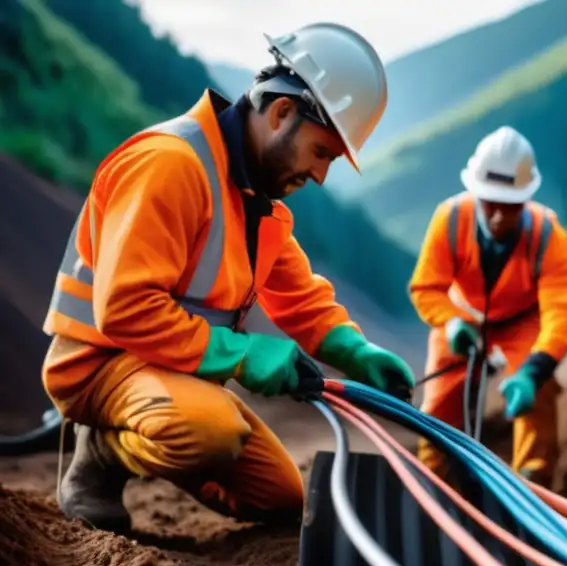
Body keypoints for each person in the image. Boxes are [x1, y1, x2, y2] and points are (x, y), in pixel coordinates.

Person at [41, 22, 415, 533]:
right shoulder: (170, 165)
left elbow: (301, 299)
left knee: (281, 497)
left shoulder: (258, 207)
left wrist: (356, 352)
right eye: (322, 152)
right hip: (101, 365)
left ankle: (178, 429)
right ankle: (102, 455)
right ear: (282, 113)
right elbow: (124, 309)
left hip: (175, 371)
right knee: (210, 432)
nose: (321, 174)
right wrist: (243, 355)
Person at [408, 126, 567, 489]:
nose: (500, 216)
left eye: (511, 205)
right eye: (490, 203)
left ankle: (534, 492)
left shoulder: (548, 236)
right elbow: (426, 288)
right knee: (437, 407)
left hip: (521, 323)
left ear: (526, 199)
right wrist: (451, 323)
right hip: (460, 319)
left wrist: (533, 371)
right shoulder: (449, 219)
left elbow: (560, 316)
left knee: (540, 394)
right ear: (475, 193)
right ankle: (437, 488)